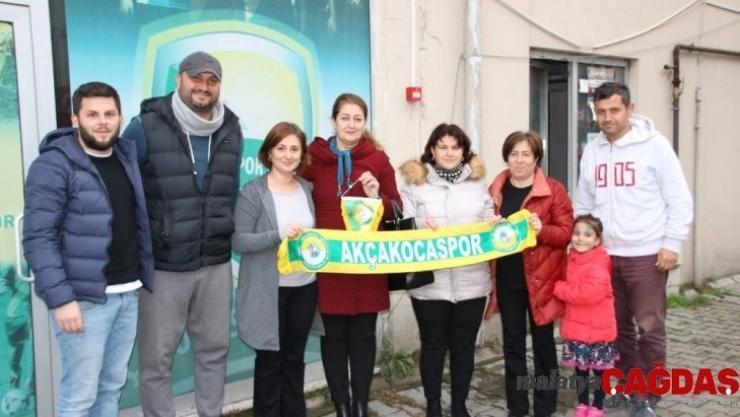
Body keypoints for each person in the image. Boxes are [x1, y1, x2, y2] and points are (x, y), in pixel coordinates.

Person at [122, 51, 243, 417]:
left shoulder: (231, 128)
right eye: (196, 78)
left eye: (211, 80)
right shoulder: (144, 127)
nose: (203, 86)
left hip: (216, 264)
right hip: (164, 267)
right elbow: (121, 192)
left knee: (214, 352)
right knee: (156, 360)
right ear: (179, 79)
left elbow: (230, 193)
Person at [22, 82, 154, 416]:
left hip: (127, 293)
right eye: (92, 114)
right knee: (79, 396)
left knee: (110, 388)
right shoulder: (54, 165)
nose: (102, 121)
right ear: (75, 119)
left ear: (120, 118)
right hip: (83, 300)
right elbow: (39, 236)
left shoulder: (125, 157)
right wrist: (61, 299)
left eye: (109, 114)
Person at [575, 82, 693, 414]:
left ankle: (647, 397)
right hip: (605, 257)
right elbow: (584, 202)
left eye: (614, 110)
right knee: (618, 328)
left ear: (630, 109)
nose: (607, 117)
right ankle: (626, 388)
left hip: (646, 255)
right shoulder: (593, 150)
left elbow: (679, 199)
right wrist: (585, 246)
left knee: (650, 327)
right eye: (601, 111)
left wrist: (671, 243)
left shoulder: (655, 146)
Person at [301, 93, 400, 417]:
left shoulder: (378, 160)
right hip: (329, 265)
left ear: (364, 122)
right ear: (333, 121)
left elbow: (397, 210)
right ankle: (341, 405)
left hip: (366, 264)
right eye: (345, 117)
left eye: (358, 118)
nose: (351, 124)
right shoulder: (312, 160)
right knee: (333, 339)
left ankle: (360, 405)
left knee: (363, 337)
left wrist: (377, 197)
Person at [399, 123, 498, 417]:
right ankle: (433, 405)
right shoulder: (415, 184)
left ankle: (459, 404)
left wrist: (494, 222)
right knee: (432, 347)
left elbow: (489, 215)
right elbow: (403, 224)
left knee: (463, 349)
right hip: (431, 285)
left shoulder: (478, 184)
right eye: (443, 147)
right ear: (432, 150)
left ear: (464, 151)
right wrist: (418, 224)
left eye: (456, 147)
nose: (449, 153)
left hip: (472, 281)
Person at [233, 122, 322, 416]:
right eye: (281, 148)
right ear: (268, 153)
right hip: (268, 292)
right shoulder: (253, 192)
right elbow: (239, 240)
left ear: (302, 154)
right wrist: (277, 234)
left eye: (294, 149)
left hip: (304, 288)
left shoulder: (307, 189)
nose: (288, 155)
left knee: (294, 359)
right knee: (270, 361)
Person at [485, 130, 573, 417]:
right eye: (514, 154)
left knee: (543, 345)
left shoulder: (553, 189)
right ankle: (517, 406)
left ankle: (545, 407)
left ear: (536, 158)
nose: (519, 160)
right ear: (506, 157)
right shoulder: (495, 191)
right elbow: (483, 232)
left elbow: (566, 233)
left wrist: (541, 230)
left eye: (526, 154)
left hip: (542, 281)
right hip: (508, 281)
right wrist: (487, 225)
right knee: (512, 345)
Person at [553, 215, 618, 417]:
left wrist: (559, 288)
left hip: (598, 331)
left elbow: (587, 293)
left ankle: (597, 406)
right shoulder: (570, 259)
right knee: (580, 370)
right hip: (577, 329)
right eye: (577, 233)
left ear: (597, 240)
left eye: (588, 235)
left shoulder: (600, 262)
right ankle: (582, 404)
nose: (581, 238)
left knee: (599, 372)